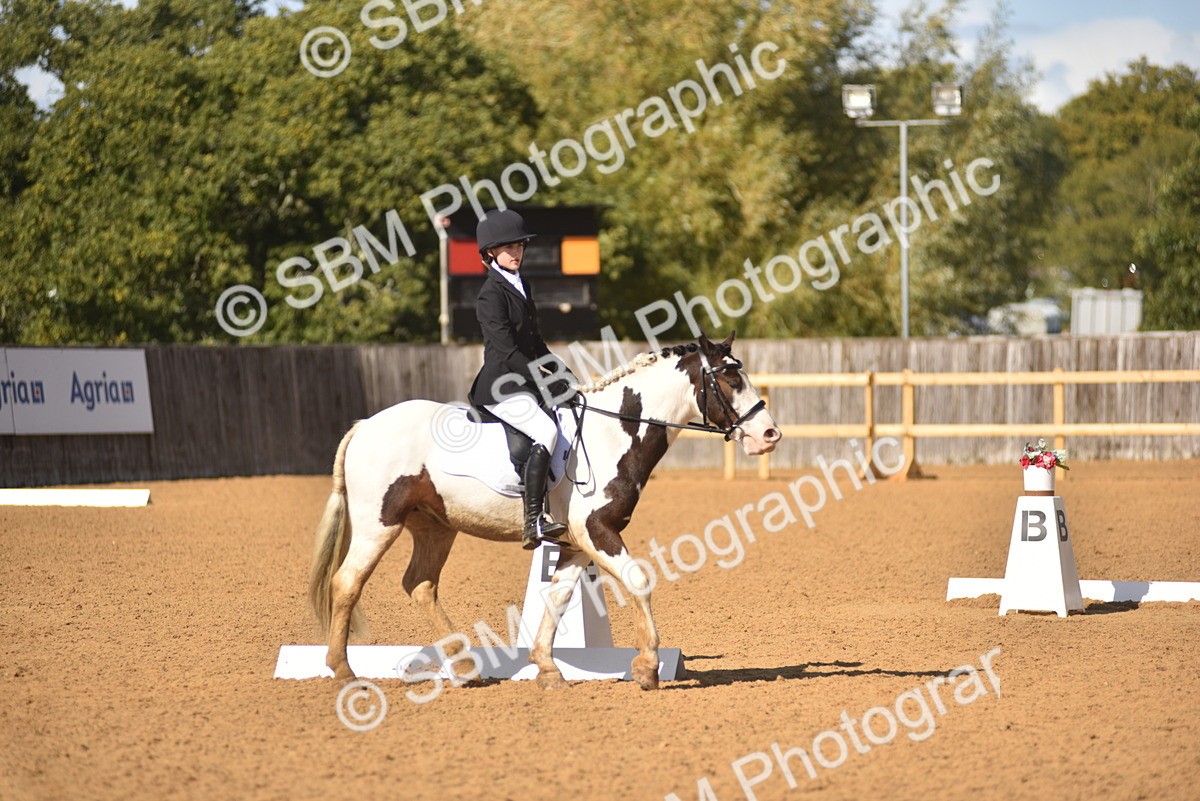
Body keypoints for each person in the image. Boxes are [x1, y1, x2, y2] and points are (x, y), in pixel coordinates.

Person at [468, 209, 578, 549]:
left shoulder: (522, 285)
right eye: (508, 248)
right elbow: (506, 352)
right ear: (490, 253)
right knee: (545, 431)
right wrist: (543, 382)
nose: (516, 253)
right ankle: (533, 522)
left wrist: (562, 373)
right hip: (500, 384)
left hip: (523, 378)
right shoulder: (490, 295)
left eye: (519, 246)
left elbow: (535, 345)